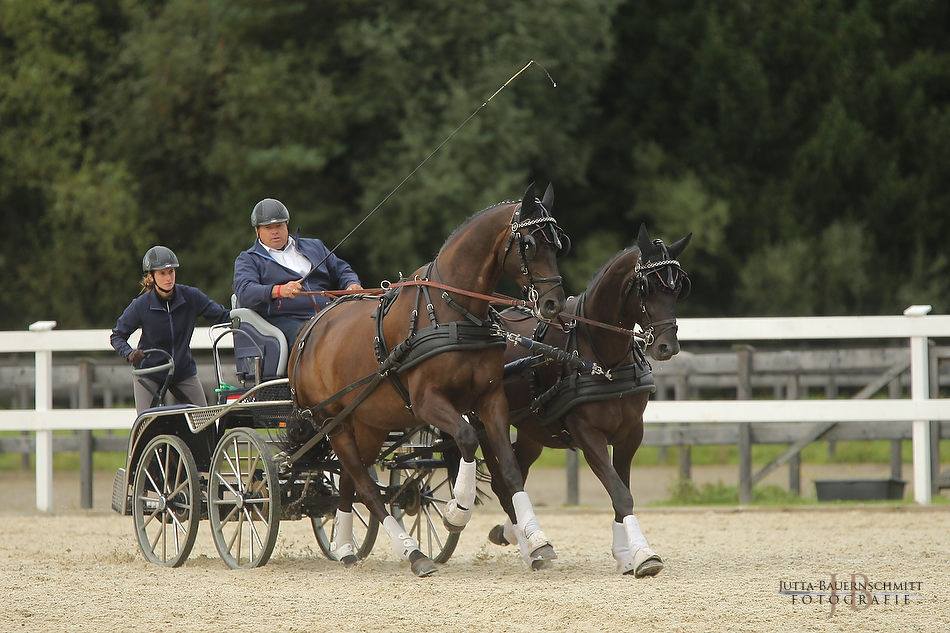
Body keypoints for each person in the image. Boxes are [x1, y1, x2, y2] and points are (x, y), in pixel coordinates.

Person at [111, 246, 231, 413]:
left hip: (182, 371)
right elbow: (117, 335)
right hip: (149, 372)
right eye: (162, 273)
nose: (168, 278)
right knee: (144, 424)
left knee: (204, 418)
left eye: (171, 272)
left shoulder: (191, 296)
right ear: (151, 276)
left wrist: (243, 314)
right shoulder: (140, 305)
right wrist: (129, 353)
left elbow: (222, 315)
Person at [233, 198, 363, 346]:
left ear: (286, 225)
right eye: (268, 227)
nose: (275, 231)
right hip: (285, 319)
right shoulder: (248, 259)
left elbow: (342, 269)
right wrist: (279, 290)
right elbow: (245, 291)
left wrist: (352, 284)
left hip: (328, 311)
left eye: (279, 225)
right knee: (313, 339)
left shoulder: (315, 246)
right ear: (257, 231)